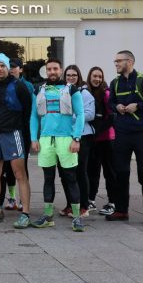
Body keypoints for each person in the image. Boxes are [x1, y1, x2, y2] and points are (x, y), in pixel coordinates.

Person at [108, 50, 143, 226]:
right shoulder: (115, 83)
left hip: (141, 134)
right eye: (115, 61)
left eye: (119, 61)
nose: (116, 64)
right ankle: (121, 210)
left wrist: (137, 106)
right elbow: (111, 103)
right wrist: (116, 106)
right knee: (120, 173)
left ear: (130, 61)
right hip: (121, 134)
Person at [30, 58, 84, 231]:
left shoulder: (71, 89)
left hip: (66, 139)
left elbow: (81, 114)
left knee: (71, 178)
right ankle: (48, 216)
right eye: (49, 69)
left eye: (55, 69)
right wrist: (34, 138)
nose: (52, 72)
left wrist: (76, 138)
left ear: (60, 70)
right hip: (46, 139)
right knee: (48, 178)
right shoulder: (38, 89)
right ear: (46, 71)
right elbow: (33, 116)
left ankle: (76, 217)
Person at [0, 54, 33, 229]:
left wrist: (25, 135)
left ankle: (25, 213)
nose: (0, 69)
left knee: (20, 174)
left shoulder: (19, 86)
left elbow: (27, 112)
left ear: (7, 67)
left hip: (13, 133)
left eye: (3, 65)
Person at [60, 65, 95, 218]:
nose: (71, 78)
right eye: (68, 75)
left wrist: (72, 115)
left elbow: (90, 114)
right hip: (65, 136)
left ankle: (84, 206)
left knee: (80, 172)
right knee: (65, 173)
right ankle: (70, 204)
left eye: (74, 75)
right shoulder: (61, 91)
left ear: (79, 76)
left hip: (82, 137)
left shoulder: (85, 93)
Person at [86, 66, 115, 215]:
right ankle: (91, 200)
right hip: (93, 140)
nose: (97, 79)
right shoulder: (87, 92)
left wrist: (98, 131)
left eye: (100, 76)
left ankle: (112, 202)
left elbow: (111, 117)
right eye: (94, 76)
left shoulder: (106, 93)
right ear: (89, 77)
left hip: (107, 139)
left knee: (109, 171)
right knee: (93, 170)